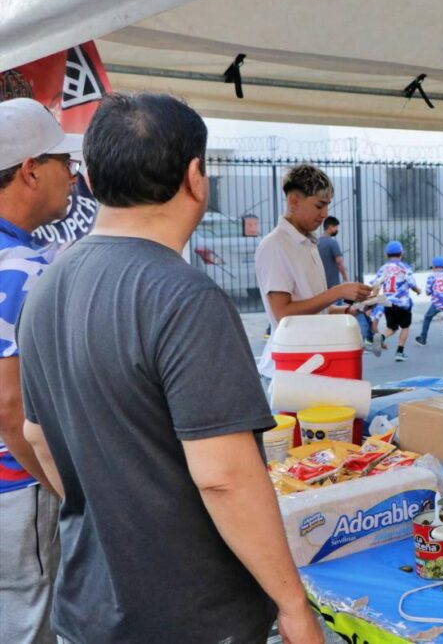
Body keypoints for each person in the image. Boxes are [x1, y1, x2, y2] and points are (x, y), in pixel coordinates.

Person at [17, 93, 323, 644]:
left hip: (87, 605)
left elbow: (37, 437)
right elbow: (224, 476)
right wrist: (292, 604)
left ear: (92, 178)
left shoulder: (46, 290)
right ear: (195, 177)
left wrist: (113, 507)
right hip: (191, 614)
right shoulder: (184, 297)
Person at [0, 98, 79, 644]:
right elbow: (11, 408)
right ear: (31, 168)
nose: (74, 178)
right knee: (32, 626)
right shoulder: (24, 269)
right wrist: (66, 492)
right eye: (65, 164)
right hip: (19, 486)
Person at [255, 164, 373, 375]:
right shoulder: (275, 245)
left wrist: (349, 310)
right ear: (294, 200)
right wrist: (338, 292)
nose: (325, 214)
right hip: (289, 369)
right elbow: (283, 314)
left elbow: (314, 310)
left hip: (314, 361)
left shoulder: (308, 243)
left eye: (327, 205)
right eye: (319, 206)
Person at [374, 240, 421, 361]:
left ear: (386, 255)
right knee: (405, 327)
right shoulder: (405, 267)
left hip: (388, 303)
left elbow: (376, 284)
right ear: (401, 253)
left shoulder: (383, 268)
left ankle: (382, 337)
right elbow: (411, 283)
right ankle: (399, 352)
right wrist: (418, 290)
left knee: (391, 327)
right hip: (403, 304)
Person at [416, 256, 443, 345]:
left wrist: (434, 291)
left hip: (438, 302)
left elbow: (428, 292)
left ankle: (423, 338)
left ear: (434, 267)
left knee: (427, 318)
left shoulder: (432, 276)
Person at [317, 215, 350, 286]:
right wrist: (346, 278)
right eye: (336, 227)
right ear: (330, 227)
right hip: (332, 283)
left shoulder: (317, 243)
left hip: (319, 283)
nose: (337, 230)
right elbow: (339, 262)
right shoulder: (333, 243)